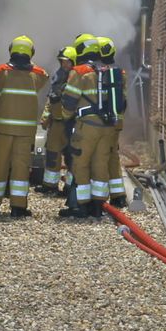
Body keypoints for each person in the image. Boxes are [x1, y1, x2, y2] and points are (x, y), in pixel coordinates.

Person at [0, 35, 48, 218]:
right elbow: (43, 74)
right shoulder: (38, 76)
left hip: (3, 130)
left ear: (11, 51)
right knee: (21, 167)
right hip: (26, 132)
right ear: (31, 53)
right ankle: (18, 207)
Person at [57, 33, 106, 219]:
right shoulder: (106, 70)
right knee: (99, 165)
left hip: (85, 127)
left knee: (80, 164)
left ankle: (80, 207)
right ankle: (98, 207)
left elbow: (69, 101)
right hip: (106, 127)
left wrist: (66, 118)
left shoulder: (79, 72)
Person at [94, 36, 128, 208]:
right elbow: (124, 99)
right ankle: (118, 195)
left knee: (99, 156)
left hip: (102, 122)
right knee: (113, 156)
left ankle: (98, 198)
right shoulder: (119, 72)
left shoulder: (97, 72)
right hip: (117, 121)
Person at [40, 45, 77, 194]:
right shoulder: (57, 77)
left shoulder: (78, 78)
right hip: (56, 122)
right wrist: (45, 116)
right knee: (52, 154)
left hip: (72, 122)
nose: (64, 65)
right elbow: (51, 98)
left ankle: (70, 187)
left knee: (72, 156)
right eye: (62, 61)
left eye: (67, 61)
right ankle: (50, 185)